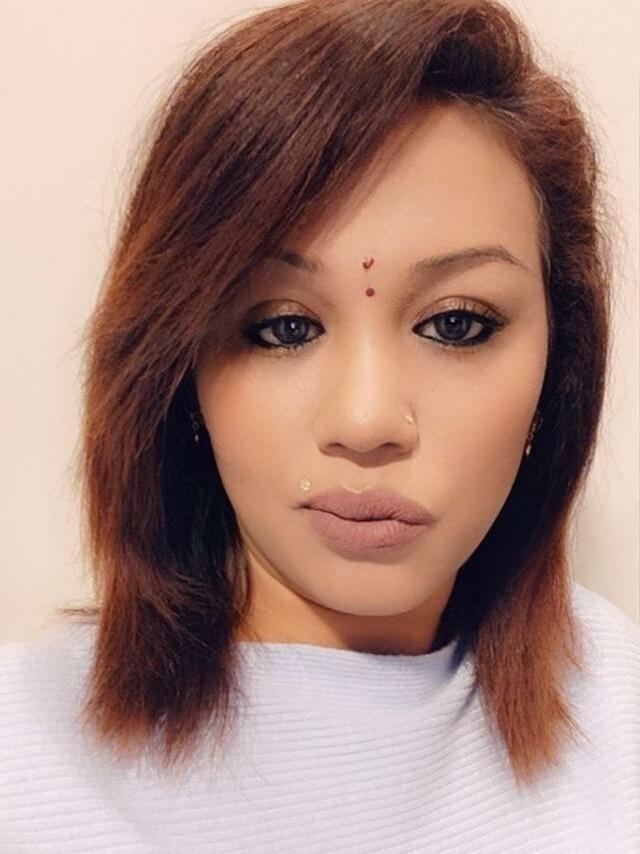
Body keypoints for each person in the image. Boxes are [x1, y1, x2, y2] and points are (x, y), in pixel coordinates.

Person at [1, 0, 638, 851]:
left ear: (560, 367)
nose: (367, 422)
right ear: (179, 372)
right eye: (283, 328)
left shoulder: (616, 710)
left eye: (456, 324)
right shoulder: (26, 763)